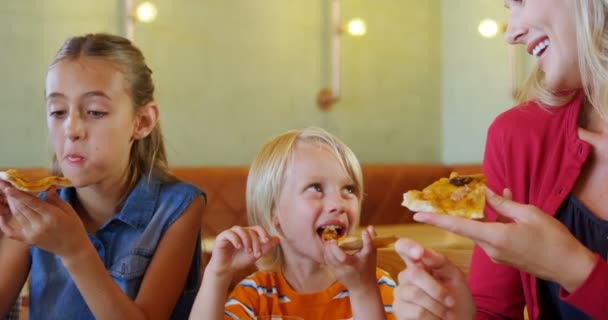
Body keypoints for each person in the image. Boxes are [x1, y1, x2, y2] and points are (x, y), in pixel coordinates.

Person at [393, 0, 608, 319]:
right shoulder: (518, 135)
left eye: (520, 1)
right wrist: (456, 312)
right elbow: (492, 310)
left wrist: (574, 269)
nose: (511, 33)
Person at [0, 33, 206, 319]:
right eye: (58, 111)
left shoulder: (180, 207)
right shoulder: (33, 208)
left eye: (95, 112)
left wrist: (75, 251)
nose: (72, 129)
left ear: (142, 122)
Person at [190, 127, 396, 319]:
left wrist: (362, 290)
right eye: (316, 188)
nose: (338, 204)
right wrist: (218, 275)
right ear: (274, 214)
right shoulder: (256, 296)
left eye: (349, 189)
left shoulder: (375, 286)